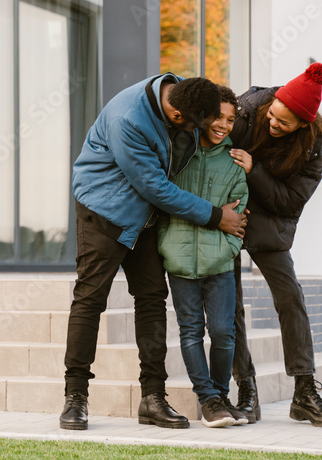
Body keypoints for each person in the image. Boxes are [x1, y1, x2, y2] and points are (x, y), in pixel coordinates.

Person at [59, 74, 247, 431]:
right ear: (178, 117)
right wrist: (216, 216)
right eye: (198, 127)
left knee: (151, 299)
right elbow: (156, 188)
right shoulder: (127, 119)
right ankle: (75, 397)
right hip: (105, 214)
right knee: (90, 300)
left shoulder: (184, 94)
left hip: (145, 217)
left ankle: (153, 398)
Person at [227, 62, 322, 429]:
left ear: (303, 126)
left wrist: (254, 171)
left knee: (290, 297)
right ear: (272, 102)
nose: (274, 124)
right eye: (274, 116)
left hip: (268, 223)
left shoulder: (312, 149)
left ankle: (304, 393)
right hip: (225, 217)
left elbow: (290, 203)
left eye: (284, 124)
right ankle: (246, 390)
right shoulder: (246, 110)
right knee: (228, 304)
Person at [158, 86, 249, 428]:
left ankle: (221, 396)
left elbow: (238, 217)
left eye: (230, 119)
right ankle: (207, 399)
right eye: (217, 117)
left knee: (224, 332)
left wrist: (226, 249)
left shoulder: (235, 163)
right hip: (179, 260)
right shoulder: (179, 154)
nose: (223, 124)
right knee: (191, 331)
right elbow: (165, 202)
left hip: (219, 264)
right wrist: (168, 243)